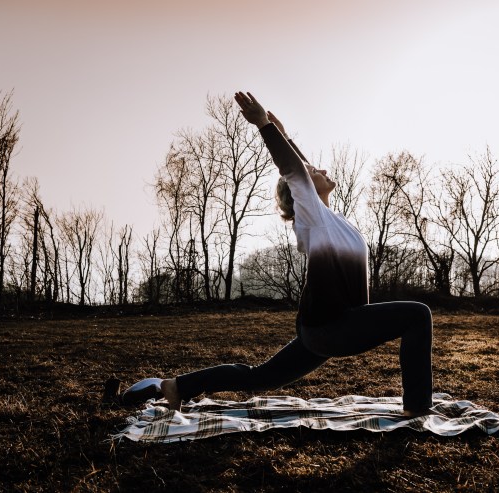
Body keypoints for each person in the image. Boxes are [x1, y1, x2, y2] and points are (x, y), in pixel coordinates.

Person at [117, 92, 434, 417]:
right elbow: (294, 169)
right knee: (417, 315)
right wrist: (264, 127)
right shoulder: (312, 217)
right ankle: (417, 407)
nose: (322, 169)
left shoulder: (328, 218)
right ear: (301, 193)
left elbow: (301, 167)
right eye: (314, 172)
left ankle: (176, 386)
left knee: (260, 377)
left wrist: (283, 134)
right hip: (331, 326)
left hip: (326, 327)